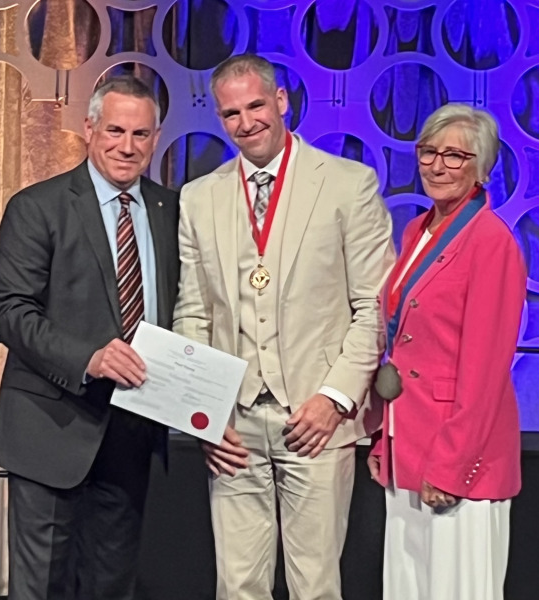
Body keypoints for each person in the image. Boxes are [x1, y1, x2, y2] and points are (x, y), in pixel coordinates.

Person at [173, 53, 396, 600]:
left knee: (315, 587)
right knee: (237, 586)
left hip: (316, 421)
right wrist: (204, 413)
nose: (246, 122)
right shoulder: (200, 197)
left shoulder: (348, 184)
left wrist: (335, 398)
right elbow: (193, 312)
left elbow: (374, 307)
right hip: (234, 423)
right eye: (230, 114)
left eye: (255, 106)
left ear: (281, 101)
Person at [0, 75, 179, 600]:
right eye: (115, 130)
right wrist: (88, 359)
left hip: (134, 428)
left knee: (112, 583)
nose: (127, 146)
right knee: (44, 585)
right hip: (51, 427)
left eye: (141, 134)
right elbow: (10, 311)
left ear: (156, 137)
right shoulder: (38, 206)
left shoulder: (171, 211)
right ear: (90, 128)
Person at [367, 103, 527, 600]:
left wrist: (452, 467)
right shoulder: (417, 230)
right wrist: (383, 439)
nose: (437, 165)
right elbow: (405, 345)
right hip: (408, 446)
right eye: (429, 151)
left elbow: (484, 371)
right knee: (407, 589)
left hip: (458, 461)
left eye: (455, 156)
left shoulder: (491, 242)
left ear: (482, 168)